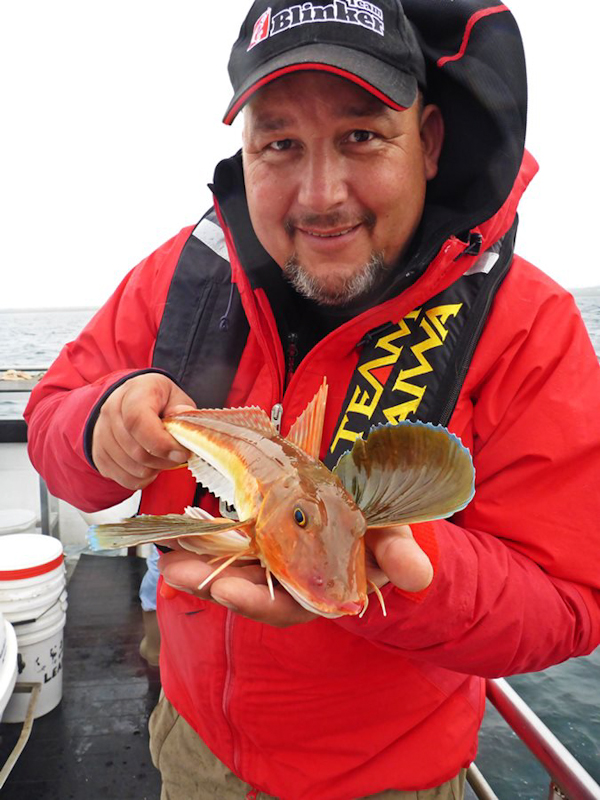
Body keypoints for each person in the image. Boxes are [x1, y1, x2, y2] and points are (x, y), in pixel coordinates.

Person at [25, 0, 600, 798]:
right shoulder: (181, 277)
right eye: (281, 143)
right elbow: (53, 416)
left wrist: (417, 572)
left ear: (428, 142)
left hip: (390, 779)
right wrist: (99, 428)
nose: (321, 194)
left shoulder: (527, 326)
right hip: (194, 751)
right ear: (246, 151)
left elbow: (572, 603)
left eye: (361, 135)